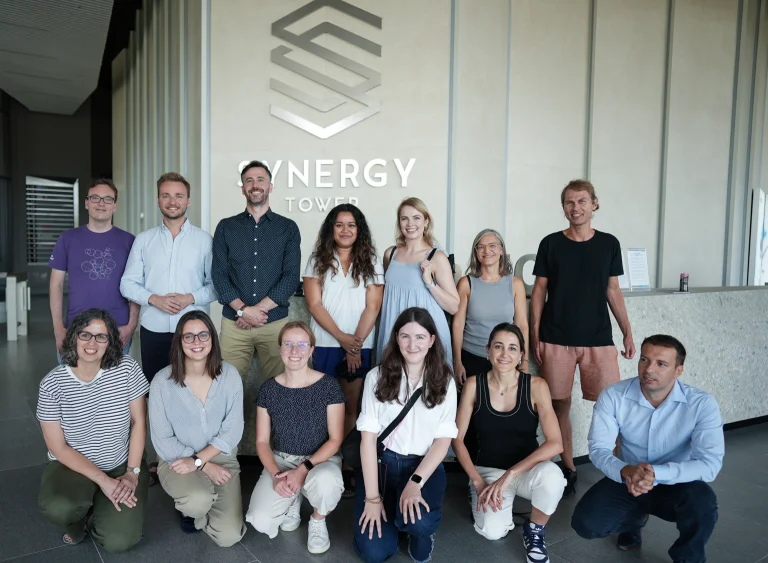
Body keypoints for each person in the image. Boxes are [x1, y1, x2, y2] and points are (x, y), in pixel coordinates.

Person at [572, 335, 723, 563]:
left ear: (678, 370)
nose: (649, 369)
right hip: (628, 478)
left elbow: (710, 464)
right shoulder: (614, 396)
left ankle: (688, 557)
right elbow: (598, 449)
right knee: (586, 524)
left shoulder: (701, 404)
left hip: (676, 482)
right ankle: (633, 521)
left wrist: (656, 473)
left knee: (703, 504)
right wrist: (627, 471)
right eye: (644, 359)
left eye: (661, 364)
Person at [530, 179, 635, 495]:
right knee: (558, 406)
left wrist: (627, 332)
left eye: (581, 201)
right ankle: (568, 468)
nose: (575, 208)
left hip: (599, 340)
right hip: (555, 339)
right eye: (569, 202)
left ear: (594, 204)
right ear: (563, 207)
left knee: (612, 408)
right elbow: (539, 292)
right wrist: (535, 335)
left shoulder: (608, 244)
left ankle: (617, 470)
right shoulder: (550, 243)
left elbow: (613, 290)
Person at [37, 309, 149, 553]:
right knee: (59, 507)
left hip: (121, 463)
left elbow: (139, 422)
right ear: (74, 337)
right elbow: (58, 447)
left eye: (101, 337)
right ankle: (79, 516)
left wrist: (132, 473)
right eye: (85, 335)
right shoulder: (52, 384)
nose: (92, 343)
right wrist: (103, 481)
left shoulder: (127, 368)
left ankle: (101, 508)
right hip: (73, 465)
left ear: (110, 342)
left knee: (119, 541)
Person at [452, 322, 565, 563]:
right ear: (488, 350)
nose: (505, 354)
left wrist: (511, 473)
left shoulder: (536, 386)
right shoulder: (473, 384)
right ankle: (482, 497)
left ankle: (534, 530)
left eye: (513, 348)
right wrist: (477, 481)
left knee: (553, 478)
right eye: (498, 346)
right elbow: (457, 439)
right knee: (492, 532)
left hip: (525, 472)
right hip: (487, 472)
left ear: (521, 354)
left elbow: (556, 443)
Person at [355, 307, 458, 563]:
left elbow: (443, 441)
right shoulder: (376, 377)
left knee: (419, 522)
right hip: (383, 465)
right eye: (405, 336)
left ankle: (416, 530)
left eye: (420, 337)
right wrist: (372, 499)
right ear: (396, 338)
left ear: (432, 340)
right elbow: (367, 441)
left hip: (422, 466)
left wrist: (416, 482)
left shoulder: (445, 380)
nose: (412, 345)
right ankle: (394, 515)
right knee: (374, 552)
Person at [303, 203, 384, 498]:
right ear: (331, 229)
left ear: (359, 229)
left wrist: (355, 344)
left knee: (352, 407)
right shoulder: (317, 259)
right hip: (325, 343)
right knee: (322, 407)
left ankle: (348, 466)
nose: (345, 230)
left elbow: (373, 306)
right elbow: (314, 304)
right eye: (339, 224)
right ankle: (323, 463)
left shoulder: (372, 260)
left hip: (361, 345)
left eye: (351, 224)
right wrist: (343, 340)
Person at [245, 321, 345, 554]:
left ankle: (318, 519)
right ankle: (292, 497)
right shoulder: (269, 390)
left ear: (311, 350)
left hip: (320, 461)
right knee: (260, 520)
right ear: (279, 349)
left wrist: (302, 469)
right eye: (288, 344)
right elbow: (262, 441)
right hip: (282, 460)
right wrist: (276, 475)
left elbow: (335, 439)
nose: (294, 350)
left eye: (302, 344)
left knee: (326, 483)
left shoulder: (329, 386)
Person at [148, 311, 246, 547]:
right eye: (189, 336)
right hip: (177, 460)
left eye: (203, 335)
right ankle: (190, 506)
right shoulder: (162, 382)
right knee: (196, 501)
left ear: (212, 338)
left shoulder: (230, 375)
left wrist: (202, 461)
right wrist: (202, 464)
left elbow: (233, 430)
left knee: (229, 536)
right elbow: (162, 439)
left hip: (222, 458)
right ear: (179, 341)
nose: (197, 342)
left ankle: (200, 503)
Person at [120, 172, 217, 384]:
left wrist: (189, 298)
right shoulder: (144, 240)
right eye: (166, 196)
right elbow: (127, 284)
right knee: (155, 388)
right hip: (153, 330)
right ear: (158, 201)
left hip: (195, 333)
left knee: (195, 388)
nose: (172, 202)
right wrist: (154, 299)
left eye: (179, 196)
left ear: (188, 201)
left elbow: (216, 286)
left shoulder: (205, 241)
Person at [212, 160, 301, 390]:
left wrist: (255, 312)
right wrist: (242, 310)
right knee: (226, 388)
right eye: (249, 181)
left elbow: (291, 277)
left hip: (274, 322)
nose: (255, 185)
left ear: (270, 186)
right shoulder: (226, 227)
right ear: (243, 188)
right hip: (235, 324)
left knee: (281, 386)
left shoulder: (288, 228)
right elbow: (219, 276)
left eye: (260, 180)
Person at [49, 179, 138, 357]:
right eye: (95, 198)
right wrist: (58, 328)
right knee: (73, 376)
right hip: (76, 328)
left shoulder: (129, 241)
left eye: (107, 199)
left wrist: (131, 326)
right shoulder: (67, 239)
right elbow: (55, 285)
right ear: (86, 203)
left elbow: (136, 286)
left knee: (115, 376)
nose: (101, 203)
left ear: (115, 205)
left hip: (117, 329)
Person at [377, 198, 459, 368]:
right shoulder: (390, 254)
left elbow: (453, 306)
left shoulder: (436, 257)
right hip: (394, 332)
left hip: (425, 334)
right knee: (391, 381)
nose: (410, 224)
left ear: (426, 221)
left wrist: (429, 283)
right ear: (399, 222)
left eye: (416, 218)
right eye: (404, 218)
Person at [452, 229, 529, 385]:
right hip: (472, 356)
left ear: (501, 250)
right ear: (476, 253)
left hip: (505, 359)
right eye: (481, 247)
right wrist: (457, 362)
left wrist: (525, 360)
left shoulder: (515, 284)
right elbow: (457, 325)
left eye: (492, 245)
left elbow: (522, 325)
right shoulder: (466, 283)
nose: (487, 251)